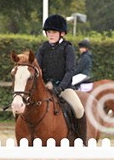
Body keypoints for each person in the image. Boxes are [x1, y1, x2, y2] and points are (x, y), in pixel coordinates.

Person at [35, 14, 87, 143]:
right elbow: (37, 69)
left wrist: (60, 87)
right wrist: (44, 84)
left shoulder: (67, 48)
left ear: (62, 33)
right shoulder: (43, 48)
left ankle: (82, 141)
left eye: (53, 32)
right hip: (46, 87)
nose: (50, 35)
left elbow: (70, 71)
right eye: (48, 32)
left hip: (64, 88)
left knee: (79, 109)